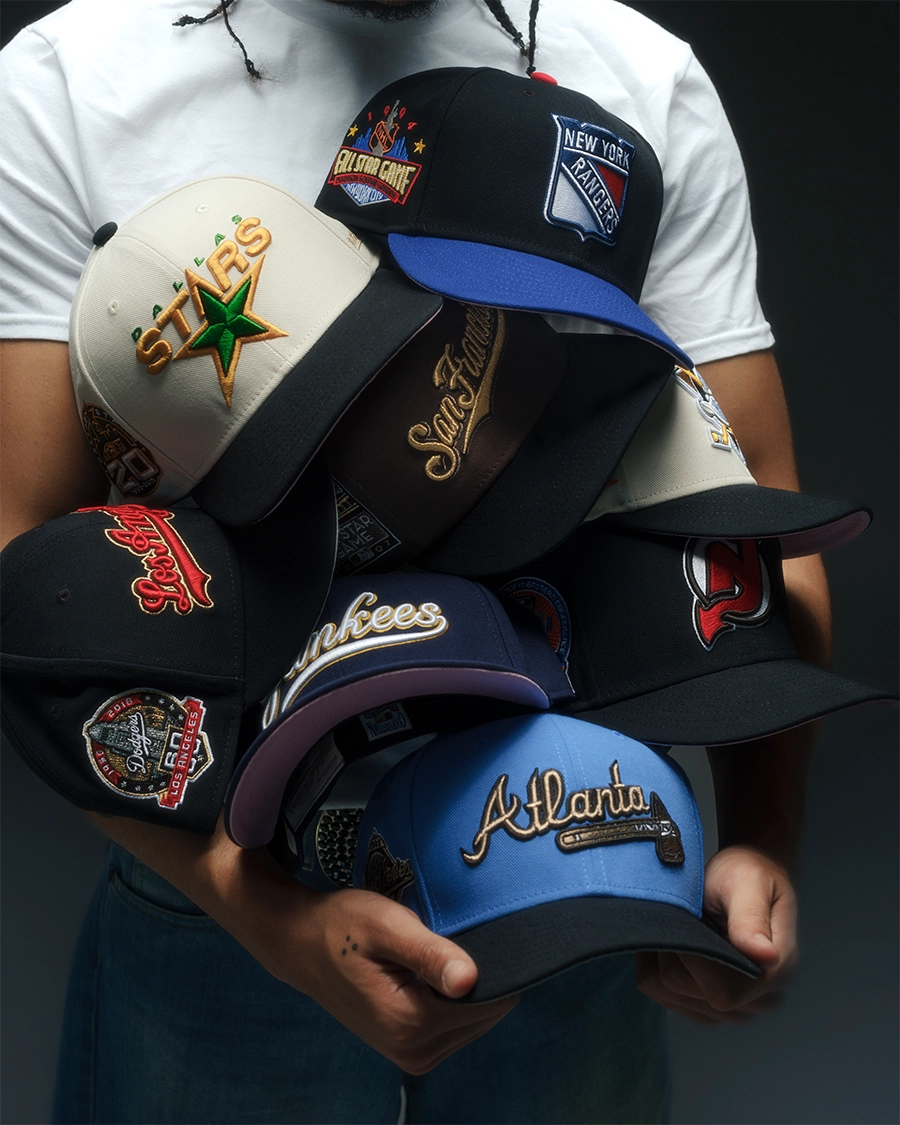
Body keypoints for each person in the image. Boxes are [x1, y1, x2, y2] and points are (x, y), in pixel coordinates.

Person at [0, 0, 823, 1121]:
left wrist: (761, 835)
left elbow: (755, 516)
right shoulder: (70, 80)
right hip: (223, 873)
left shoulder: (641, 76)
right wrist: (263, 913)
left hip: (576, 834)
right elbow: (30, 577)